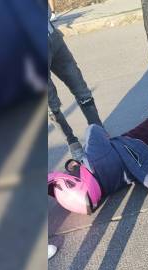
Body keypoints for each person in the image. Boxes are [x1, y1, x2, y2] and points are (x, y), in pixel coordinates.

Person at [48, 12, 103, 163]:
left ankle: (98, 132)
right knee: (51, 104)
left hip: (53, 37)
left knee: (80, 88)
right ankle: (73, 143)